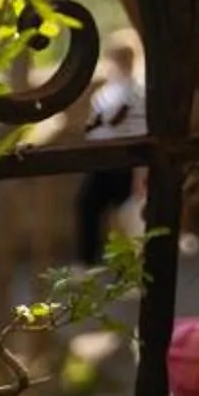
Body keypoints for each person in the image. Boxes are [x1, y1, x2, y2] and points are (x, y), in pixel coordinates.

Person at [74, 31, 146, 266]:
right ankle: (87, 262)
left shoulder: (136, 94)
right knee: (88, 208)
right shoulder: (106, 93)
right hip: (102, 160)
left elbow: (139, 133)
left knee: (127, 220)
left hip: (124, 162)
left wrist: (140, 174)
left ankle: (128, 270)